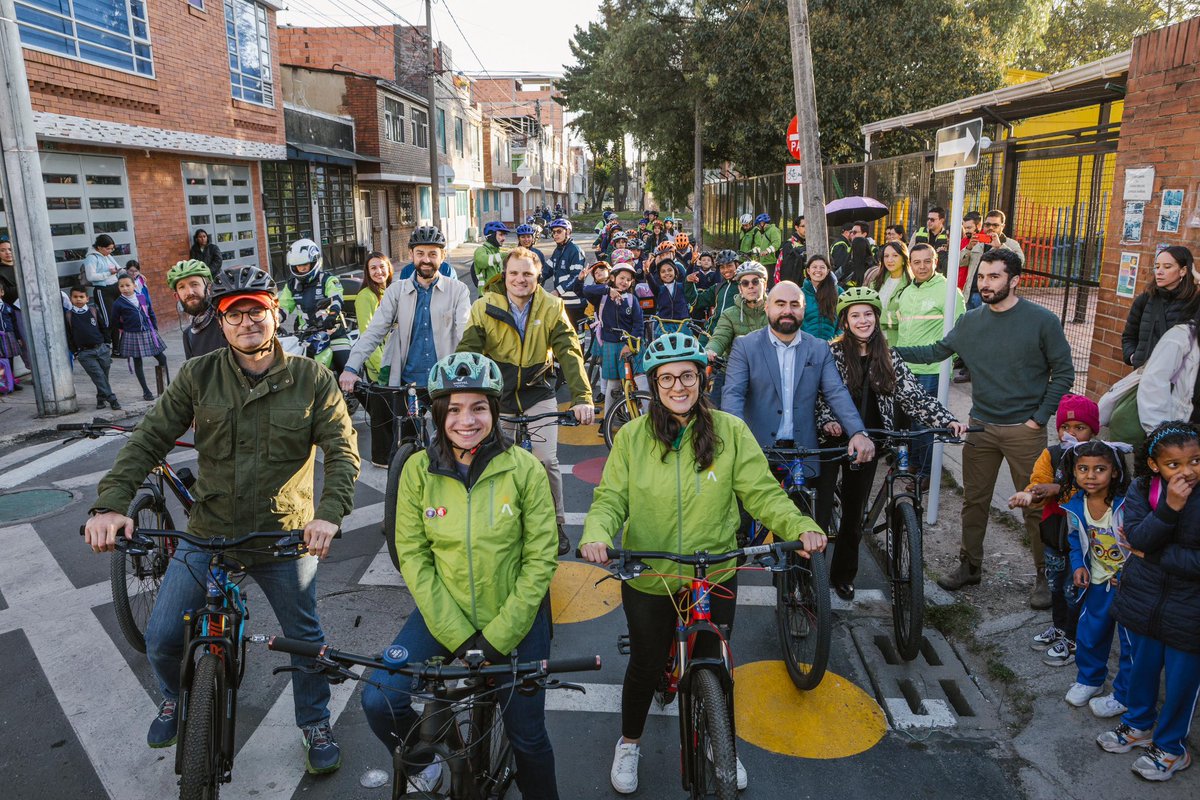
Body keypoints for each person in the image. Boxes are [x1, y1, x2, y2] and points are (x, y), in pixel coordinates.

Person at [83, 265, 358, 775]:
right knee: (164, 637)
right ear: (222, 320)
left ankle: (314, 723)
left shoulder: (311, 378)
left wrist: (329, 515)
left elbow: (342, 452)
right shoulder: (198, 374)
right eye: (235, 313)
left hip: (283, 536)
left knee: (305, 638)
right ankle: (173, 698)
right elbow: (149, 439)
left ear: (274, 313)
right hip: (209, 532)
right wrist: (110, 504)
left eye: (257, 309)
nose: (247, 320)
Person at [579, 331, 828, 795]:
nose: (678, 387)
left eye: (687, 376)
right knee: (647, 664)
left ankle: (720, 741)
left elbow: (761, 493)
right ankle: (629, 742)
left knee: (715, 660)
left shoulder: (731, 432)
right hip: (651, 572)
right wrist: (596, 534)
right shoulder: (632, 438)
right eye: (668, 378)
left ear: (702, 378)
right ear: (653, 385)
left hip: (714, 570)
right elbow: (611, 498)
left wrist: (798, 526)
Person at [361, 352, 561, 797]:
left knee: (528, 737)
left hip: (516, 617)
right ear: (437, 414)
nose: (466, 420)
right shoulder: (416, 469)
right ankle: (425, 759)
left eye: (478, 408)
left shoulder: (525, 468)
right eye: (453, 409)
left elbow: (541, 557)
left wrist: (497, 639)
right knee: (379, 697)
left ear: (494, 411)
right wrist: (458, 635)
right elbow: (412, 556)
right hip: (442, 614)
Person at [895, 248, 1074, 607]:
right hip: (979, 427)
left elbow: (1064, 372)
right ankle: (970, 565)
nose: (986, 283)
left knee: (1036, 506)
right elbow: (935, 351)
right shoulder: (971, 321)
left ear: (1015, 280)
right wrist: (887, 349)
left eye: (994, 276)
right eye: (981, 277)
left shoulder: (1042, 321)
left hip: (1025, 430)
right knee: (973, 502)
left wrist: (1039, 417)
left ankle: (1045, 575)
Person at [815, 287, 963, 598]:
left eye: (868, 314)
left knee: (854, 515)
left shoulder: (889, 357)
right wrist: (826, 420)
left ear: (877, 318)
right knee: (819, 510)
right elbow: (820, 396)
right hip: (831, 442)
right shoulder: (831, 354)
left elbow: (914, 397)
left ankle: (842, 574)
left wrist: (946, 420)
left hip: (870, 444)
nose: (862, 320)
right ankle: (807, 576)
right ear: (845, 321)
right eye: (855, 315)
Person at [457, 247, 594, 556]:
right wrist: (458, 394)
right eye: (514, 273)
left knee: (546, 459)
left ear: (538, 277)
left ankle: (557, 523)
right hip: (499, 396)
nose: (520, 280)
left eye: (528, 274)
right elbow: (468, 351)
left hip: (538, 392)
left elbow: (569, 351)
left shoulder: (552, 306)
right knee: (491, 461)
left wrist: (582, 397)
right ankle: (487, 523)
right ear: (505, 275)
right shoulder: (484, 306)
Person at [1101, 422, 1200, 781]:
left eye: (1195, 461)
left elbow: (1147, 549)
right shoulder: (1143, 490)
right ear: (1155, 466)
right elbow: (1137, 536)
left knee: (1181, 684)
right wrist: (1171, 507)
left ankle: (1172, 748)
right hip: (1145, 601)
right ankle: (1138, 724)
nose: (1187, 471)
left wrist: (1152, 555)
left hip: (1190, 612)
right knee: (1141, 669)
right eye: (1174, 464)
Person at [339, 227, 471, 457]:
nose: (426, 260)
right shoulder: (396, 291)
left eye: (432, 254)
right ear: (411, 255)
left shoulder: (457, 290)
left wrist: (469, 367)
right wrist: (351, 367)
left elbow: (465, 333)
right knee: (405, 446)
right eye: (420, 253)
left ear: (443, 255)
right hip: (408, 384)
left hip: (445, 382)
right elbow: (373, 332)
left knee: (454, 443)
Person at [1008, 394, 1099, 667]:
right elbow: (1039, 482)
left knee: (1075, 589)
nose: (1070, 434)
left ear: (1093, 431)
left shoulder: (1097, 459)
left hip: (1081, 539)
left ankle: (1073, 638)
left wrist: (1057, 489)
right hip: (1052, 533)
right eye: (1064, 428)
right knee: (1057, 584)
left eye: (1079, 428)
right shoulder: (1052, 454)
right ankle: (1059, 628)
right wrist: (1031, 493)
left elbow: (1090, 492)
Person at [1056, 439, 1134, 719]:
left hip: (1128, 586)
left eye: (1099, 469)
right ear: (1073, 471)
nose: (1090, 476)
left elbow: (1142, 543)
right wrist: (1078, 565)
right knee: (1090, 634)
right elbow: (1075, 542)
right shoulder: (1075, 506)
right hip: (1098, 582)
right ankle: (1090, 679)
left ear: (1114, 472)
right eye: (1083, 469)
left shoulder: (1127, 505)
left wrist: (1130, 575)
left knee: (1130, 643)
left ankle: (1125, 693)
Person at [894, 242, 965, 485]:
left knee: (926, 421)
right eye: (917, 262)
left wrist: (949, 363)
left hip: (932, 369)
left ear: (936, 262)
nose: (922, 266)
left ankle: (926, 473)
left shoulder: (948, 291)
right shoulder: (908, 291)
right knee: (910, 420)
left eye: (927, 261)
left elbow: (959, 329)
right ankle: (914, 462)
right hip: (907, 369)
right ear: (910, 265)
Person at [581, 263, 647, 406]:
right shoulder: (602, 297)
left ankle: (649, 418)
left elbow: (638, 324)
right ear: (612, 278)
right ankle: (607, 421)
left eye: (628, 279)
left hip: (631, 344)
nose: (625, 282)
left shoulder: (631, 299)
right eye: (621, 278)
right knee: (613, 385)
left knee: (642, 381)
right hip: (611, 344)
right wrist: (607, 290)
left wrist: (630, 344)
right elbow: (586, 290)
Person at [279, 238, 350, 373]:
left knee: (347, 368)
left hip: (332, 332)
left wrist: (333, 314)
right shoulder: (291, 285)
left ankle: (349, 392)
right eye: (298, 266)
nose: (302, 269)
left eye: (305, 265)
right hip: (305, 335)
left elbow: (336, 297)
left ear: (315, 262)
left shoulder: (328, 280)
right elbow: (284, 306)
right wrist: (274, 320)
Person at [352, 252, 395, 467]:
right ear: (367, 273)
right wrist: (383, 367)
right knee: (381, 413)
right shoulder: (366, 296)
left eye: (382, 266)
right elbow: (367, 335)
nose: (379, 272)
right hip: (379, 364)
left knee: (394, 410)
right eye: (373, 268)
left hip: (396, 360)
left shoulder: (392, 291)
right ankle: (381, 458)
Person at [1122, 246, 1197, 368]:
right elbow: (1129, 336)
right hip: (1146, 377)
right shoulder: (1145, 299)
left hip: (1179, 380)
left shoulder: (1194, 303)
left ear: (1183, 270)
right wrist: (1133, 357)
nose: (1159, 272)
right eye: (1157, 267)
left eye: (1167, 267)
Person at [112, 272, 168, 401]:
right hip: (132, 335)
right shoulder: (118, 304)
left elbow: (151, 312)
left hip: (148, 332)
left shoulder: (142, 297)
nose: (125, 288)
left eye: (128, 285)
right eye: (121, 286)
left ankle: (166, 386)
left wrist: (154, 328)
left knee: (162, 358)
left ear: (134, 285)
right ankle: (146, 391)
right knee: (138, 362)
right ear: (118, 288)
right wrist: (126, 328)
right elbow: (114, 321)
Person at [962, 210, 1026, 314]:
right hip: (969, 294)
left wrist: (1000, 247)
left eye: (995, 225)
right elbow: (960, 263)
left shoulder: (1011, 244)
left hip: (990, 296)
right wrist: (968, 248)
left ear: (1002, 226)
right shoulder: (978, 242)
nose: (990, 228)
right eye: (987, 224)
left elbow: (1019, 263)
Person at [64, 284, 118, 409]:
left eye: (81, 297)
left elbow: (103, 327)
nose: (78, 299)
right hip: (85, 353)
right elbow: (68, 335)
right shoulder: (69, 316)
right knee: (98, 376)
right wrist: (75, 351)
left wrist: (107, 344)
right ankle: (112, 398)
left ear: (87, 298)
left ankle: (100, 398)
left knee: (103, 376)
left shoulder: (93, 310)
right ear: (71, 298)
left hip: (101, 349)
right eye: (75, 297)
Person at [706, 262, 769, 360]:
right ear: (740, 288)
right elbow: (719, 338)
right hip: (736, 368)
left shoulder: (776, 312)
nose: (750, 286)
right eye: (745, 283)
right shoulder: (729, 315)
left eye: (755, 281)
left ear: (764, 284)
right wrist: (711, 350)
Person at [166, 260, 224, 359]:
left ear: (209, 288)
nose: (189, 292)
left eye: (194, 284)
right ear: (177, 296)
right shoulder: (189, 335)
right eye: (182, 287)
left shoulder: (226, 323)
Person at [543, 217, 587, 329]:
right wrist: (535, 278)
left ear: (568, 232)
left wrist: (558, 291)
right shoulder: (557, 250)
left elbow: (575, 276)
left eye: (559, 231)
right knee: (564, 333)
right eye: (553, 232)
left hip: (574, 303)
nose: (555, 235)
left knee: (576, 336)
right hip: (562, 302)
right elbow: (547, 269)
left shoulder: (575, 250)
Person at [866, 240, 911, 344]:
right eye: (886, 256)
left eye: (895, 255)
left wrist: (876, 318)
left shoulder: (910, 286)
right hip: (874, 341)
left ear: (904, 259)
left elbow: (904, 317)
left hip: (896, 343)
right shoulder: (876, 283)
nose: (890, 260)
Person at [81, 234, 121, 338]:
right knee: (109, 320)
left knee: (118, 318)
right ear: (99, 247)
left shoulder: (107, 255)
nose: (110, 251)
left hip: (116, 287)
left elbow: (119, 269)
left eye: (112, 248)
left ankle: (117, 349)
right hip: (103, 290)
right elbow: (90, 277)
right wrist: (108, 273)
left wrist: (135, 274)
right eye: (108, 248)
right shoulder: (91, 258)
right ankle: (105, 343)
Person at [800, 255, 842, 341]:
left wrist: (837, 339)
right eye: (814, 267)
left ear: (827, 271)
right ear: (808, 270)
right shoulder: (800, 294)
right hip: (806, 345)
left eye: (822, 267)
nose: (818, 270)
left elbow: (844, 319)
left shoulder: (838, 292)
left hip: (833, 345)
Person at [911, 207, 950, 274]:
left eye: (932, 219)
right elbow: (910, 251)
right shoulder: (919, 232)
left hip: (939, 274)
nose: (929, 222)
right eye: (928, 219)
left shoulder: (948, 236)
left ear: (941, 220)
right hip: (919, 271)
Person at [474, 221, 510, 287]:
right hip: (485, 294)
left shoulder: (497, 252)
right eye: (501, 235)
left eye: (504, 235)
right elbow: (482, 261)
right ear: (492, 236)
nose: (504, 238)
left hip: (497, 293)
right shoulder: (481, 250)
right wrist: (505, 255)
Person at [842, 221, 876, 287]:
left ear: (864, 234)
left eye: (855, 232)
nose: (851, 234)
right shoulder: (849, 248)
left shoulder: (873, 250)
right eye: (851, 232)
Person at [777, 216, 807, 286]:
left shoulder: (808, 243)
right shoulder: (789, 245)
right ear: (796, 227)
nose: (807, 228)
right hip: (794, 287)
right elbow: (787, 272)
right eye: (803, 226)